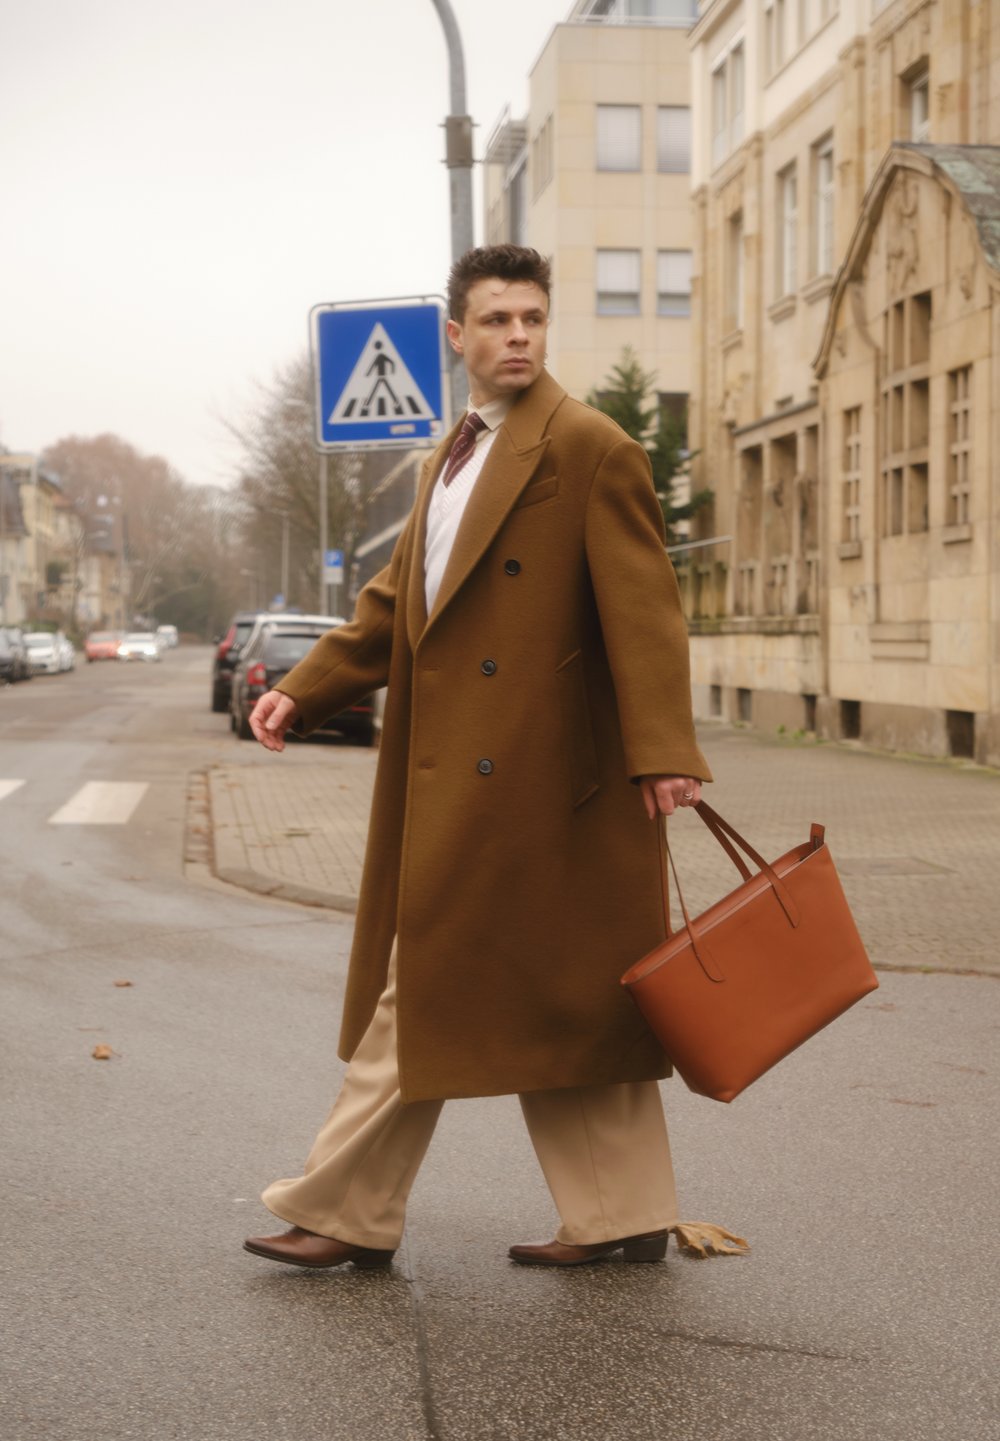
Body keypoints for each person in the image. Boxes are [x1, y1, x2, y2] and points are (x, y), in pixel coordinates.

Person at [243, 244, 745, 1271]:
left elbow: (646, 612)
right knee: (566, 999)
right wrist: (302, 685)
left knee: (426, 980)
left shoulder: (589, 445)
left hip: (547, 781)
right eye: (498, 320)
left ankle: (341, 1208)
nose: (519, 335)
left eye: (532, 318)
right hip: (469, 773)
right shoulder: (454, 452)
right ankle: (621, 1213)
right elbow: (397, 601)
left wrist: (664, 753)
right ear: (455, 337)